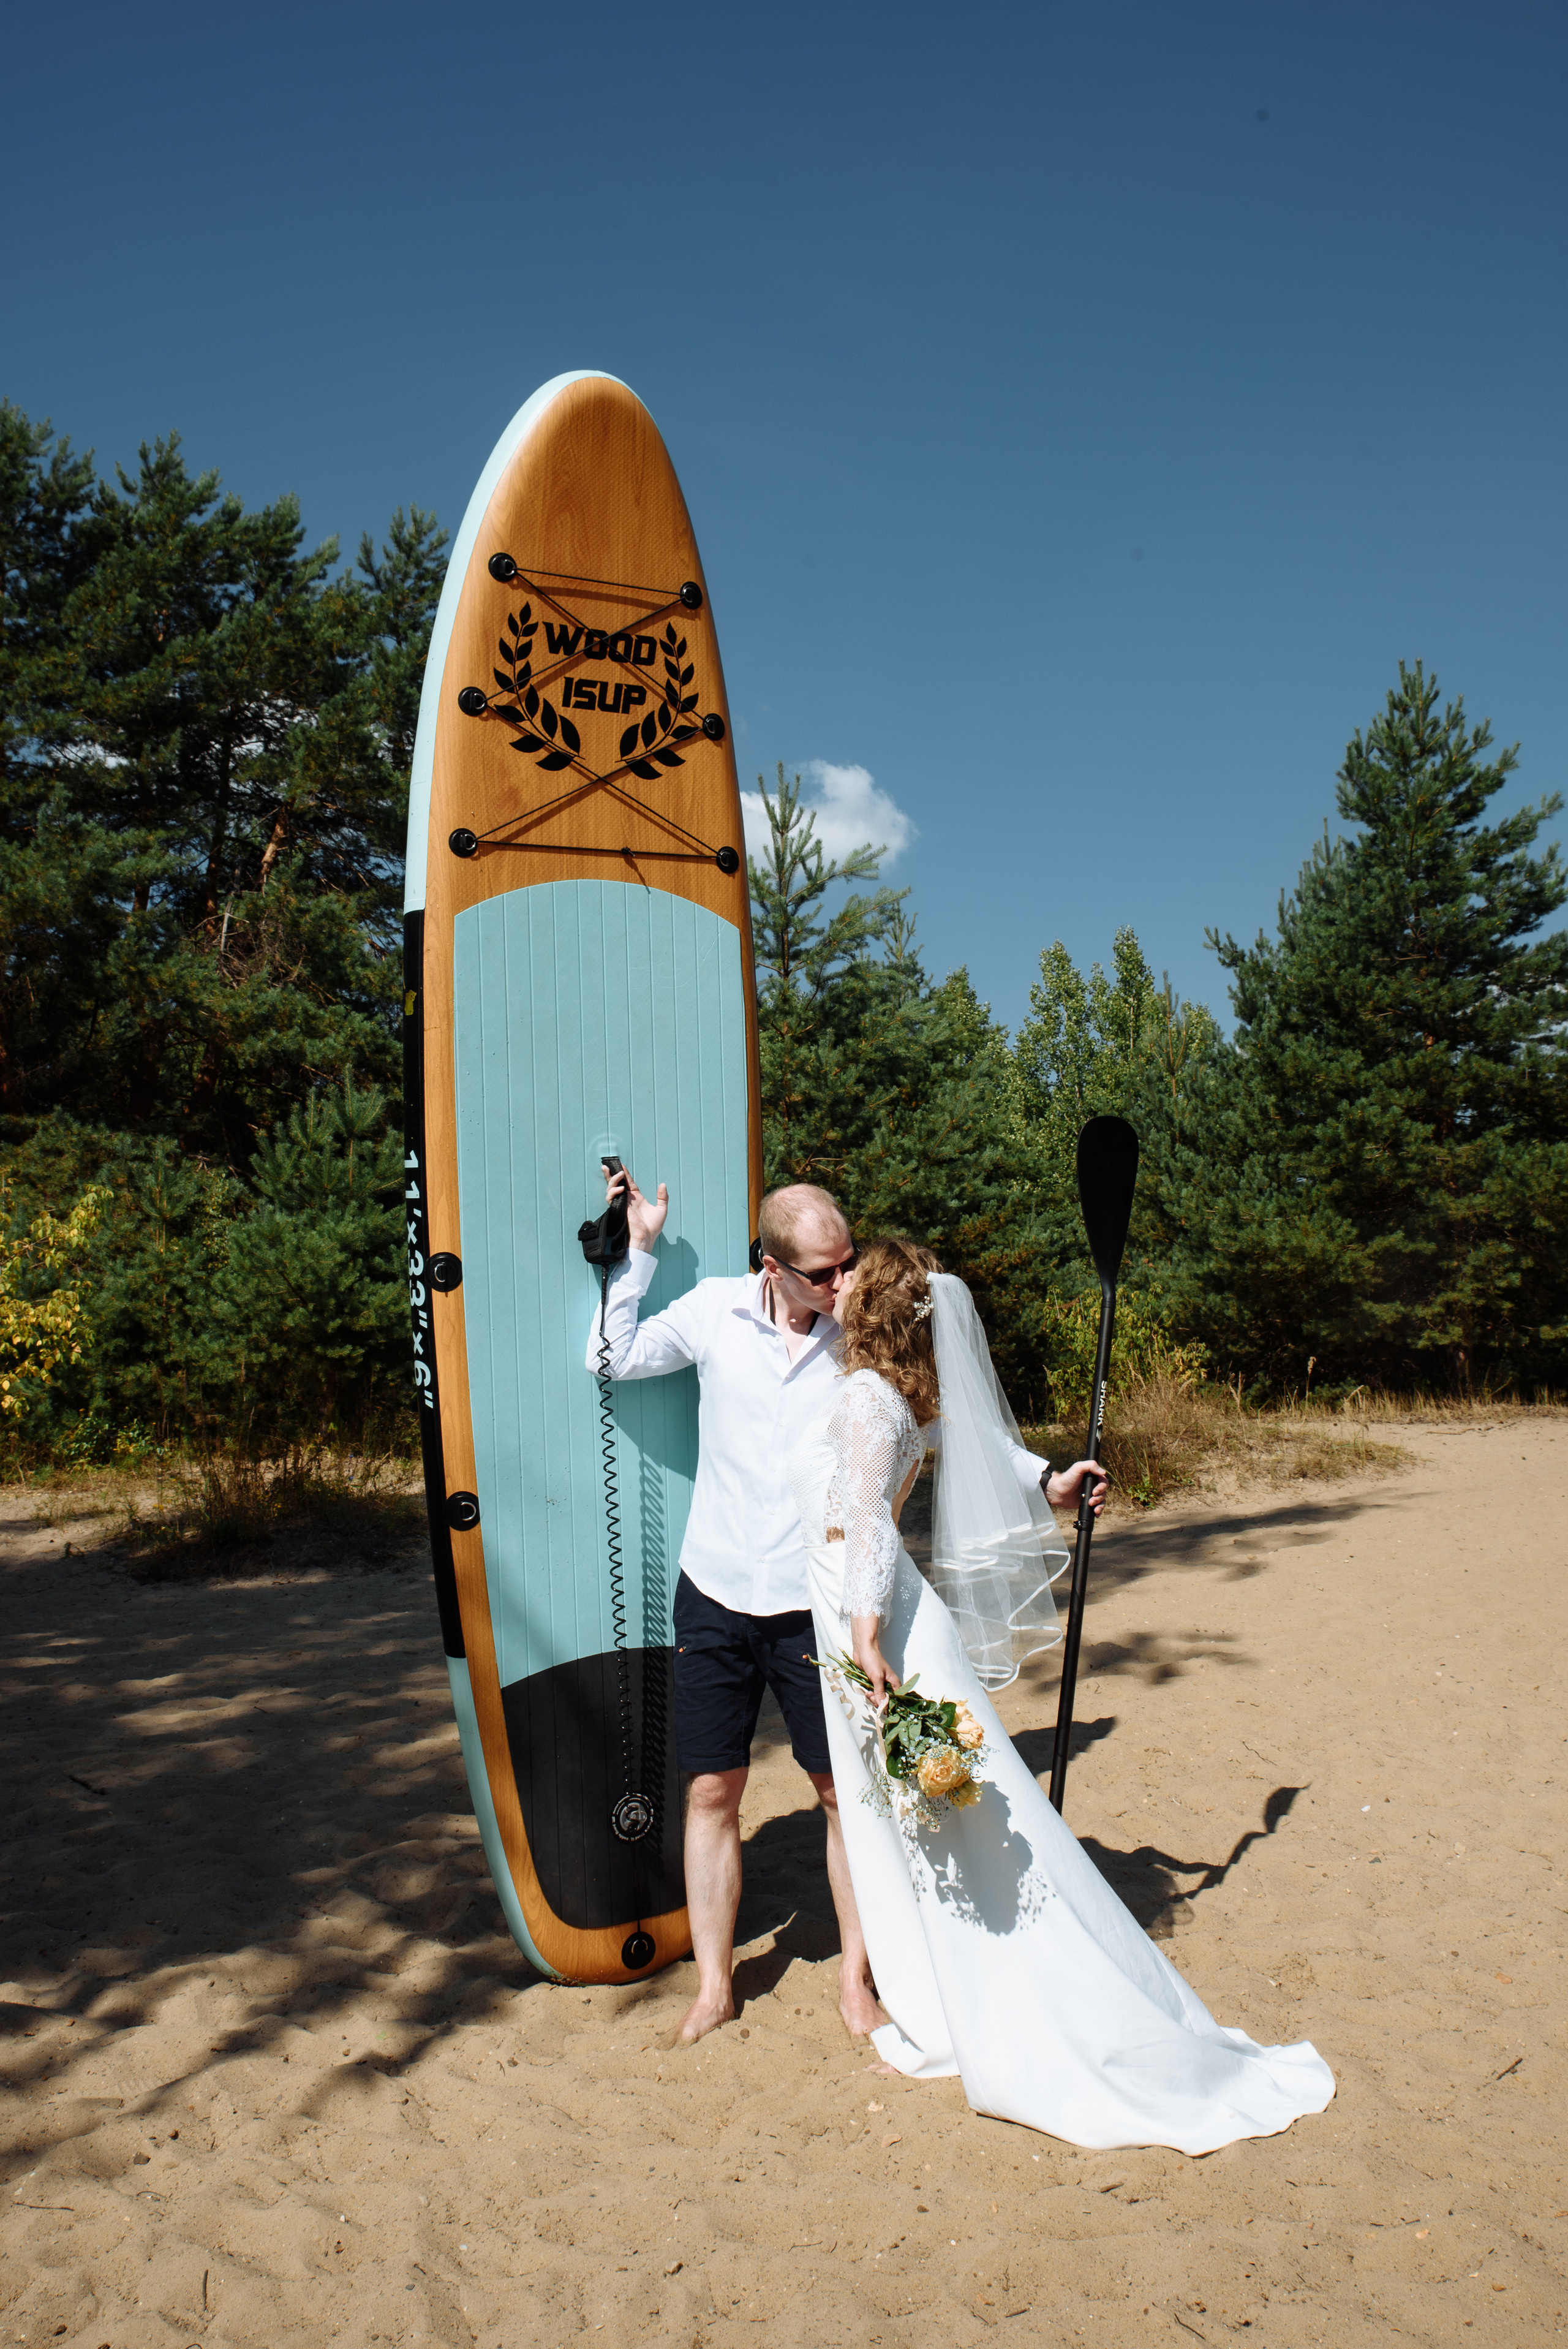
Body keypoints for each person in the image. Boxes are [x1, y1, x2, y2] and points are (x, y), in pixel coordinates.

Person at [789, 1236, 1336, 2152]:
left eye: (849, 1277)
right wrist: (1045, 1479)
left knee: (948, 1815)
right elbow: (965, 1450)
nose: (833, 1283)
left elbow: (867, 1528)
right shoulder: (896, 1397)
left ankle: (976, 2004)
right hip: (872, 1622)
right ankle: (940, 1994)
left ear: (874, 1306)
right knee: (927, 1815)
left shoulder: (865, 1396)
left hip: (877, 1627)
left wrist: (865, 1640)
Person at [586, 1171, 1104, 2045]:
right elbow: (611, 1355)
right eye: (823, 1273)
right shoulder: (715, 1311)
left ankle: (857, 1982)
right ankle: (715, 1985)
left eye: (849, 1264)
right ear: (772, 1266)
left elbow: (951, 1428)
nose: (842, 1286)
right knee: (712, 1788)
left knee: (842, 1795)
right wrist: (636, 1251)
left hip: (816, 1609)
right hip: (713, 1587)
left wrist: (1045, 1480)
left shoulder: (860, 1344)